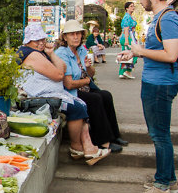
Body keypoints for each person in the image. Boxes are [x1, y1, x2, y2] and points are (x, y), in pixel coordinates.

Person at [119, 0, 178, 193]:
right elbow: (160, 48)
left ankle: (162, 186)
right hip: (157, 81)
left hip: (160, 84)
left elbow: (171, 55)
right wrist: (135, 52)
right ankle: (169, 180)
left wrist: (140, 52)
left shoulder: (167, 19)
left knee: (159, 136)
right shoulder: (161, 18)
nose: (140, 0)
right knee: (160, 134)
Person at [16, 24, 110, 165]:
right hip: (37, 97)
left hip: (48, 93)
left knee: (81, 103)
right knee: (77, 107)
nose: (41, 42)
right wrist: (53, 59)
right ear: (28, 41)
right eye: (37, 40)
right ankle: (76, 146)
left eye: (42, 38)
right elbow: (59, 75)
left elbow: (63, 68)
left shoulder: (39, 52)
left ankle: (87, 147)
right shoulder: (32, 54)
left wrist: (51, 53)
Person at [56, 20, 128, 153]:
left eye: (78, 33)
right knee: (95, 99)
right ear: (65, 37)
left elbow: (90, 74)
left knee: (106, 95)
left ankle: (114, 135)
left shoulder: (81, 50)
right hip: (70, 91)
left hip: (83, 85)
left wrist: (89, 67)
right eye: (72, 34)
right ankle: (102, 141)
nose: (76, 37)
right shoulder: (62, 53)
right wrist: (87, 82)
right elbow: (69, 83)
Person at [119, 2, 138, 79]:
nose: (133, 7)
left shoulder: (129, 16)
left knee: (125, 55)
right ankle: (128, 71)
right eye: (131, 6)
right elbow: (126, 28)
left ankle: (122, 72)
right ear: (127, 8)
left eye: (133, 6)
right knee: (134, 53)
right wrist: (126, 40)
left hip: (127, 36)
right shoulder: (127, 17)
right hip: (128, 37)